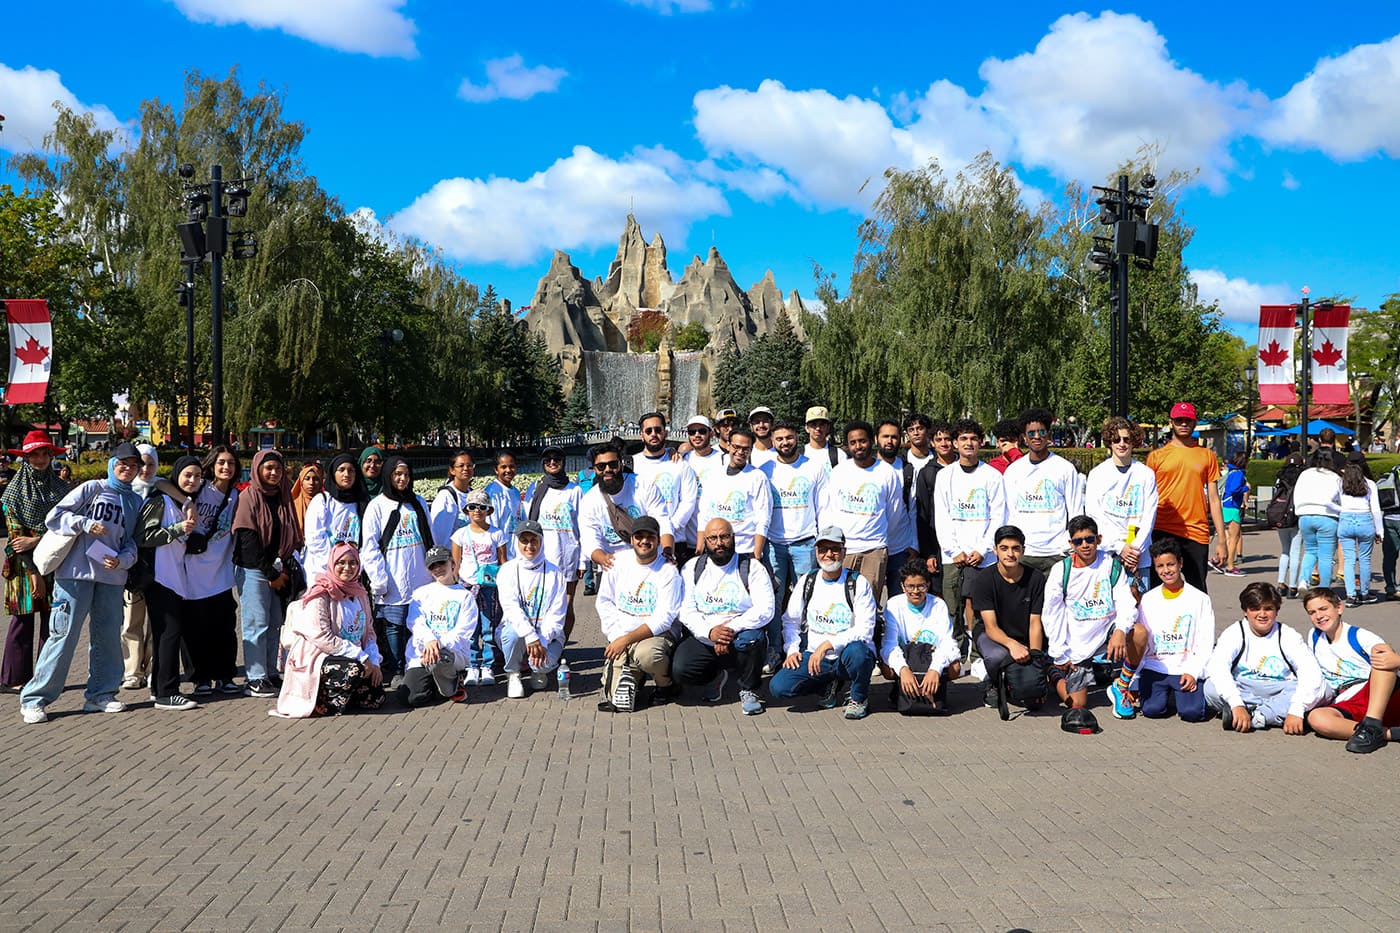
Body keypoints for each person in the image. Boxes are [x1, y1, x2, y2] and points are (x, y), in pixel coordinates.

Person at [19, 442, 143, 724]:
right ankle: (35, 699)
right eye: (122, 463)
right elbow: (55, 517)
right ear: (112, 464)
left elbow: (132, 542)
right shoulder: (92, 488)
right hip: (74, 575)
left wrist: (123, 560)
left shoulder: (135, 501)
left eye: (134, 465)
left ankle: (101, 694)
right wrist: (84, 524)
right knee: (63, 635)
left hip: (111, 578)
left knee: (108, 637)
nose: (127, 469)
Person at [770, 526, 878, 719]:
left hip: (846, 655)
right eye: (823, 549)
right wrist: (793, 649)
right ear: (816, 552)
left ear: (844, 552)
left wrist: (828, 645)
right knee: (778, 688)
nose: (829, 554)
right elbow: (790, 621)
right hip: (815, 657)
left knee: (859, 653)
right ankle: (827, 683)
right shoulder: (808, 581)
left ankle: (858, 698)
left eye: (835, 549)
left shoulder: (857, 583)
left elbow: (865, 630)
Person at [673, 518, 775, 715]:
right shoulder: (692, 568)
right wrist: (710, 632)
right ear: (705, 541)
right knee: (681, 669)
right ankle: (716, 676)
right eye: (712, 538)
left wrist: (729, 630)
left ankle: (749, 689)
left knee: (752, 639)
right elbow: (685, 610)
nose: (719, 543)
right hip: (707, 634)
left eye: (724, 536)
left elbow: (765, 609)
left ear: (733, 538)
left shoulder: (752, 567)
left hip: (741, 633)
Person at [272, 542, 385, 718]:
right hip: (319, 655)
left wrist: (374, 661)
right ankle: (322, 702)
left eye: (352, 563)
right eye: (341, 563)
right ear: (332, 564)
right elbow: (322, 637)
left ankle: (347, 697)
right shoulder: (320, 594)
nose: (347, 568)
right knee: (354, 669)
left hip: (352, 655)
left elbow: (369, 631)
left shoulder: (361, 593)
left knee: (376, 696)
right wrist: (362, 657)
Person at [1107, 538, 1213, 721]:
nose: (1166, 571)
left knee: (1192, 713)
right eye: (1160, 566)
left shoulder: (1200, 599)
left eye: (1171, 564)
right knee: (1152, 710)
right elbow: (1141, 644)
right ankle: (1165, 693)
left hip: (1185, 667)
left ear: (1180, 563)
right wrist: (1133, 680)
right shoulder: (1148, 600)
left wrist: (1194, 672)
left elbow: (1205, 641)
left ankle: (1179, 695)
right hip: (1155, 666)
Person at [1204, 582, 1325, 733]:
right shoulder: (1234, 633)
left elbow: (1309, 670)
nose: (1262, 614)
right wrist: (1236, 703)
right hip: (1244, 687)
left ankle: (1257, 716)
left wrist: (1296, 709)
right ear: (1245, 611)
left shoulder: (1288, 635)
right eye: (1255, 609)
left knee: (1321, 689)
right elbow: (1218, 667)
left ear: (1277, 610)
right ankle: (1271, 713)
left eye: (1268, 609)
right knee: (1210, 686)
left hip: (1281, 688)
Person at [1041, 516, 1135, 711]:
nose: (1085, 545)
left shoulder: (1111, 565)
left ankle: (1122, 685)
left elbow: (1126, 603)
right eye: (1078, 541)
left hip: (1106, 635)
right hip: (1076, 645)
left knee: (1139, 632)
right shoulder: (1061, 571)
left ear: (1098, 539)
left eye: (1089, 539)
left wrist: (1120, 630)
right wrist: (1059, 654)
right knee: (1077, 704)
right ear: (1071, 543)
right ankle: (1052, 671)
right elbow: (1052, 614)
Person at [232, 449, 303, 698]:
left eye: (278, 468)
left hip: (277, 569)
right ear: (257, 469)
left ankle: (271, 672)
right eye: (268, 468)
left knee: (274, 623)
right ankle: (255, 677)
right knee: (256, 624)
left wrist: (281, 569)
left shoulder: (283, 496)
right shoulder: (248, 497)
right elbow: (247, 540)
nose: (273, 473)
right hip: (254, 569)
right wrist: (270, 574)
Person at [933, 418, 1007, 657]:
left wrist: (983, 550)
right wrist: (954, 550)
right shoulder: (945, 476)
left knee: (979, 609)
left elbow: (998, 516)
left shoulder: (992, 476)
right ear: (955, 443)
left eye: (973, 439)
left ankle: (977, 653)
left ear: (981, 442)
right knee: (951, 607)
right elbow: (942, 516)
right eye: (963, 439)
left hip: (982, 557)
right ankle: (954, 650)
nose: (968, 443)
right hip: (952, 556)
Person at [1, 431, 68, 691]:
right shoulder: (13, 492)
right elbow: (18, 539)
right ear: (25, 457)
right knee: (22, 619)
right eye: (34, 454)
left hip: (55, 560)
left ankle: (45, 675)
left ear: (51, 456)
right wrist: (34, 572)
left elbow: (66, 527)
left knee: (52, 621)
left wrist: (38, 540)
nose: (40, 459)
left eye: (44, 453)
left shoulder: (61, 488)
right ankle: (15, 678)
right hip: (22, 566)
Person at [759, 420, 827, 673]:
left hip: (805, 543)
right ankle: (775, 650)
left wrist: (822, 539)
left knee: (807, 600)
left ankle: (806, 649)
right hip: (774, 544)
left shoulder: (814, 468)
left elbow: (823, 506)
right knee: (774, 601)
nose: (785, 442)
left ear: (796, 437)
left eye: (789, 437)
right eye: (779, 439)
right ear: (773, 442)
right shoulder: (765, 469)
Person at [595, 516, 682, 713]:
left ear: (659, 541)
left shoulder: (668, 571)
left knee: (648, 655)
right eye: (639, 536)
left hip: (656, 636)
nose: (644, 541)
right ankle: (637, 675)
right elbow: (604, 602)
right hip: (622, 635)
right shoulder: (616, 562)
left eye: (650, 536)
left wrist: (626, 640)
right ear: (632, 540)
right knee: (614, 698)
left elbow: (665, 618)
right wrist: (616, 637)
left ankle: (666, 685)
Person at [361, 456, 433, 687]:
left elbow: (430, 537)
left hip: (420, 574)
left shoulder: (418, 502)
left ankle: (418, 666)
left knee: (419, 623)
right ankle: (397, 667)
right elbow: (370, 546)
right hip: (392, 574)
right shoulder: (378, 506)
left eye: (406, 475)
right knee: (394, 625)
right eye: (397, 474)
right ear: (389, 476)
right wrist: (378, 578)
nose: (402, 479)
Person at [137, 455, 202, 710]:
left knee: (166, 634)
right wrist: (178, 529)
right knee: (169, 633)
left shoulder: (183, 503)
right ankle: (168, 691)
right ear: (177, 476)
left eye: (197, 476)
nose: (193, 480)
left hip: (175, 579)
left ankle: (160, 690)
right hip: (159, 578)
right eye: (187, 475)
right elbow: (144, 536)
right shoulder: (160, 500)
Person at [1146, 402, 1226, 591]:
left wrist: (1222, 540)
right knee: (1158, 589)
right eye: (1179, 420)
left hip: (1195, 531)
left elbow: (1214, 500)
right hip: (1162, 528)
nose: (1183, 424)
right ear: (1171, 422)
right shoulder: (1156, 457)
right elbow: (1146, 498)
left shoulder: (1206, 456)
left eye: (1187, 420)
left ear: (1194, 423)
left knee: (1197, 590)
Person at [969, 526, 1046, 708]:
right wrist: (1013, 645)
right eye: (1004, 548)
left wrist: (1034, 661)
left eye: (1015, 548)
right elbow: (991, 627)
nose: (1010, 554)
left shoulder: (1036, 578)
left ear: (1023, 551)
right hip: (993, 635)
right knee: (997, 656)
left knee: (1034, 683)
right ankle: (994, 683)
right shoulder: (984, 579)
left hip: (1025, 632)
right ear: (995, 550)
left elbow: (1035, 622)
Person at [1002, 408, 1085, 574]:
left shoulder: (1065, 469)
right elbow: (1008, 513)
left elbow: (1076, 512)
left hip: (1056, 554)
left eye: (1041, 432)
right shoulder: (1013, 471)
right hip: (1024, 553)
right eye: (1031, 433)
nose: (1037, 437)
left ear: (1048, 434)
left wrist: (1070, 546)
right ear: (1024, 438)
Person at [496, 521, 569, 699]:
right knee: (512, 634)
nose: (529, 546)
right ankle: (513, 674)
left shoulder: (555, 572)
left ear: (541, 541)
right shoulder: (507, 570)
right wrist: (530, 636)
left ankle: (538, 671)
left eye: (534, 540)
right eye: (524, 541)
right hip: (519, 632)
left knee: (540, 664)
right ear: (517, 542)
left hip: (548, 636)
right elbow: (510, 607)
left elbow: (557, 614)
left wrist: (542, 641)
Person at [190, 446, 242, 694]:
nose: (226, 468)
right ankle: (201, 678)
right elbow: (164, 485)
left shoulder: (236, 496)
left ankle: (225, 675)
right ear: (211, 464)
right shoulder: (198, 489)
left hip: (221, 571)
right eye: (221, 462)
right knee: (197, 628)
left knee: (224, 626)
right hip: (193, 570)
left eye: (231, 463)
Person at [1085, 417, 1157, 592]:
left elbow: (1149, 515)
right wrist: (1118, 547)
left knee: (1138, 610)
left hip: (1138, 557)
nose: (1122, 444)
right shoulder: (1097, 474)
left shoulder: (1146, 474)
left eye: (1126, 439)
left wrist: (1134, 551)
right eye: (1116, 439)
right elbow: (1094, 515)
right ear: (1109, 442)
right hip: (1107, 553)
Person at [881, 562, 960, 713]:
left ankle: (936, 689)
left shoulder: (939, 605)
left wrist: (935, 670)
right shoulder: (893, 604)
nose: (916, 591)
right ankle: (900, 686)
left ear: (928, 585)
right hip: (907, 656)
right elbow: (889, 645)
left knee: (955, 668)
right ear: (903, 586)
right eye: (910, 586)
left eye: (921, 586)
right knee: (887, 669)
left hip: (929, 656)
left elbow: (947, 642)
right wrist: (903, 669)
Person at [580, 442, 672, 571]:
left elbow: (662, 522)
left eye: (613, 464)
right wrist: (603, 559)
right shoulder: (589, 500)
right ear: (594, 469)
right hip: (613, 566)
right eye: (601, 466)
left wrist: (667, 552)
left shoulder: (644, 486)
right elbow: (589, 540)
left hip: (650, 562)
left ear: (621, 465)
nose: (607, 470)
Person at [403, 545, 476, 707]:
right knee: (409, 698)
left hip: (450, 653)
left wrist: (438, 644)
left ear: (452, 563)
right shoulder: (420, 593)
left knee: (439, 659)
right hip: (422, 654)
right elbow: (415, 623)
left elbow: (462, 632)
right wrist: (429, 641)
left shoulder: (465, 596)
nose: (438, 569)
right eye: (432, 566)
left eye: (441, 563)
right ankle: (438, 683)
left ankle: (451, 683)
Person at [523, 446, 584, 638]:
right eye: (547, 459)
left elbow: (582, 525)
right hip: (542, 556)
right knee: (542, 605)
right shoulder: (537, 488)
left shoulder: (574, 491)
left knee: (565, 606)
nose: (552, 462)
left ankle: (560, 646)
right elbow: (529, 523)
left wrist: (583, 560)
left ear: (563, 461)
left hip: (568, 556)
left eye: (556, 458)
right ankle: (543, 644)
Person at [451, 489, 507, 685]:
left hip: (489, 587)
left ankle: (488, 666)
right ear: (467, 510)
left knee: (488, 627)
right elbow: (455, 564)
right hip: (467, 586)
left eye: (482, 507)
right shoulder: (460, 535)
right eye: (473, 507)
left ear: (488, 510)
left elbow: (503, 562)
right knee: (471, 629)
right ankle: (472, 665)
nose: (477, 511)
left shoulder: (497, 534)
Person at [629, 414, 699, 563]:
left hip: (676, 539)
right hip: (642, 541)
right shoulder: (632, 464)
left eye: (657, 430)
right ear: (641, 435)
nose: (653, 434)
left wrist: (670, 528)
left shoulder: (680, 464)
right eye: (648, 431)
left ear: (665, 433)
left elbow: (688, 501)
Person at [118, 443, 159, 691]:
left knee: (157, 621)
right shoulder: (123, 492)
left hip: (160, 566)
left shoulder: (164, 490)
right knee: (132, 620)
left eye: (150, 464)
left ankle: (154, 668)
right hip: (131, 566)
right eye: (140, 464)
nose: (144, 469)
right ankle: (133, 671)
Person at [696, 427, 771, 559]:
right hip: (715, 548)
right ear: (729, 446)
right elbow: (704, 514)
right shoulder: (713, 475)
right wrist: (700, 547)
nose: (740, 452)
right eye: (736, 447)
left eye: (745, 448)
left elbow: (763, 517)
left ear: (751, 450)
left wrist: (757, 554)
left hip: (744, 549)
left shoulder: (757, 477)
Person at [874, 419, 921, 600]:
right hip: (873, 547)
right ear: (876, 439)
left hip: (900, 547)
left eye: (894, 437)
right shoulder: (866, 469)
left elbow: (913, 509)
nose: (890, 441)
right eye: (885, 436)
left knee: (898, 600)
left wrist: (914, 544)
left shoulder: (908, 470)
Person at [303, 453, 369, 579]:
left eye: (351, 471)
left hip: (351, 573)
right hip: (322, 570)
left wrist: (354, 566)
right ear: (333, 473)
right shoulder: (322, 500)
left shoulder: (362, 503)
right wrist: (334, 564)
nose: (346, 474)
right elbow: (314, 538)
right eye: (341, 470)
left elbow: (367, 540)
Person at [1293, 450, 1343, 594]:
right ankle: (1324, 588)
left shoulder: (1305, 474)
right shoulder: (1335, 477)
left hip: (1305, 515)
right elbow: (1339, 498)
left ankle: (1303, 580)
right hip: (1327, 516)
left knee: (1310, 551)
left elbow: (1297, 494)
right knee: (1326, 555)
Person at [1337, 452, 1383, 606]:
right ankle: (1364, 593)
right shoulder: (1369, 483)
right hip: (1365, 521)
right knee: (1365, 559)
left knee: (1349, 559)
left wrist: (1341, 509)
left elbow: (1330, 501)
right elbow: (1376, 509)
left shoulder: (1340, 482)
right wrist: (1379, 531)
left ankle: (1351, 596)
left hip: (1346, 519)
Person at [1271, 453, 1306, 598]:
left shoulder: (1280, 477)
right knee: (1295, 552)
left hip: (1281, 514)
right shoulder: (1302, 478)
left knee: (1285, 551)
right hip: (1296, 516)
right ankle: (1292, 586)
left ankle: (1280, 584)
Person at [428, 450, 474, 547]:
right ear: (452, 470)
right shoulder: (445, 497)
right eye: (461, 466)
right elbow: (439, 536)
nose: (466, 469)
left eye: (469, 465)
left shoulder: (472, 494)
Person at [485, 451, 524, 560]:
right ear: (496, 470)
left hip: (516, 553)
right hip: (502, 555)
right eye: (503, 467)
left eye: (511, 466)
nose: (508, 470)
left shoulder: (515, 491)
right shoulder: (492, 492)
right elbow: (491, 527)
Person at [1219, 451, 1250, 576]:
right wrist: (1246, 488)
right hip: (1232, 507)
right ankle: (1230, 566)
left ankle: (1221, 559)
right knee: (1234, 537)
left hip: (1226, 506)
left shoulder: (1231, 472)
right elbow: (1234, 489)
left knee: (1228, 536)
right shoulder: (1238, 474)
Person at [804, 406, 846, 472]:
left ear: (828, 427)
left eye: (822, 424)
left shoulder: (839, 455)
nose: (818, 428)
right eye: (813, 425)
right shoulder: (799, 455)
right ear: (806, 428)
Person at [290, 461, 324, 538]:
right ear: (301, 481)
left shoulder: (328, 504)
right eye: (307, 478)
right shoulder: (292, 505)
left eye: (315, 479)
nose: (311, 482)